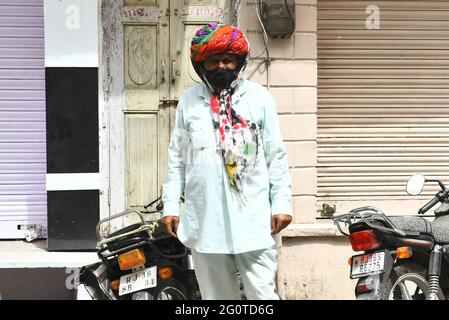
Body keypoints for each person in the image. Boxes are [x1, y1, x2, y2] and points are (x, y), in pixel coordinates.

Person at [162, 23, 292, 300]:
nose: (221, 66)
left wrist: (281, 203)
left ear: (238, 62)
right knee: (217, 297)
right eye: (213, 60)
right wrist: (171, 205)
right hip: (206, 221)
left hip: (254, 221)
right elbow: (177, 158)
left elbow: (275, 156)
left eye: (227, 60)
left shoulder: (259, 99)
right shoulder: (189, 102)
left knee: (262, 294)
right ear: (201, 65)